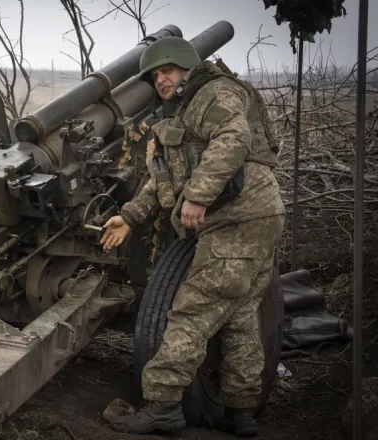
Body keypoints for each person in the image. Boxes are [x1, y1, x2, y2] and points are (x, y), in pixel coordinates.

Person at [100, 36, 286, 436]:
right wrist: (130, 218)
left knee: (192, 310)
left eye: (166, 70)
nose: (160, 80)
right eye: (154, 75)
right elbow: (166, 177)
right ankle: (240, 412)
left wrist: (199, 197)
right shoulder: (186, 112)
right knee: (239, 318)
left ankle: (163, 405)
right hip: (257, 216)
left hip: (239, 218)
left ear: (186, 66)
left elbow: (234, 138)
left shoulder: (213, 92)